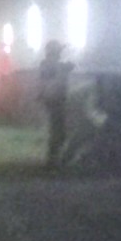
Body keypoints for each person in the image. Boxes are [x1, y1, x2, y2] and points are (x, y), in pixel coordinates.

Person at [37, 38, 74, 170]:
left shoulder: (50, 64)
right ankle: (53, 160)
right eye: (59, 51)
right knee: (59, 131)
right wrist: (66, 68)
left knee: (58, 130)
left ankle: (54, 159)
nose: (60, 53)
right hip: (54, 100)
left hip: (54, 99)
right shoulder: (50, 64)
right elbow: (55, 75)